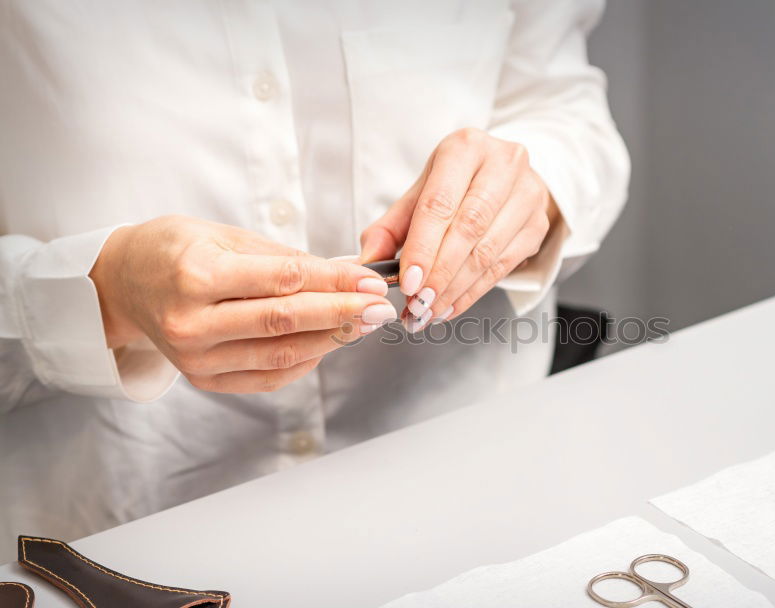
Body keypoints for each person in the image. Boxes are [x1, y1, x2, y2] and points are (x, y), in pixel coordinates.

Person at [0, 0, 628, 552]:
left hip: (479, 482)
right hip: (120, 540)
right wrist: (105, 293)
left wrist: (533, 189)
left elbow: (561, 107)